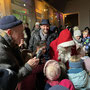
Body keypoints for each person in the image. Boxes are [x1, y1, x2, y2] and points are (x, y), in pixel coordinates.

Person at [0, 15, 39, 89]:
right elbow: (9, 80)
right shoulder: (1, 50)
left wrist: (24, 57)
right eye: (21, 32)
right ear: (9, 32)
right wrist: (28, 67)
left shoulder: (10, 43)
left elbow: (15, 65)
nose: (23, 36)